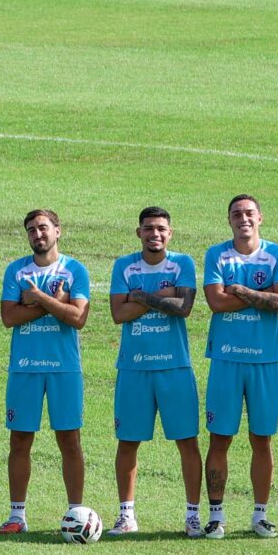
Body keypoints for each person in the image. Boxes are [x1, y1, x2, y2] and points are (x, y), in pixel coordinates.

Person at [106, 207, 203, 537]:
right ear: (139, 233)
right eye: (148, 228)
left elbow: (184, 308)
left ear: (170, 233)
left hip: (174, 367)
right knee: (128, 443)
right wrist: (162, 296)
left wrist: (142, 297)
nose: (155, 234)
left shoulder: (183, 264)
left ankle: (192, 516)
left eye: (161, 228)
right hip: (134, 369)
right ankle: (126, 515)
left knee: (187, 442)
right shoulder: (124, 265)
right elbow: (119, 314)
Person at [202, 194, 278, 539]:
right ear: (229, 220)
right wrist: (260, 293)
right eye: (237, 213)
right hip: (226, 359)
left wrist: (237, 290)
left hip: (265, 360)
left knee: (262, 440)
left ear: (260, 218)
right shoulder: (217, 254)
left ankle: (260, 515)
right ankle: (216, 515)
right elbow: (215, 301)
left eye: (250, 213)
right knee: (220, 438)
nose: (244, 218)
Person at [0, 209, 90, 534]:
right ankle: (16, 516)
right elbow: (9, 317)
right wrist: (51, 302)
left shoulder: (75, 269)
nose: (38, 235)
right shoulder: (16, 270)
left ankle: (76, 512)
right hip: (25, 369)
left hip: (64, 369)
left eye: (43, 228)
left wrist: (35, 299)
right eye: (31, 230)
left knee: (69, 440)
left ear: (57, 231)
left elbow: (78, 318)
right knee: (20, 440)